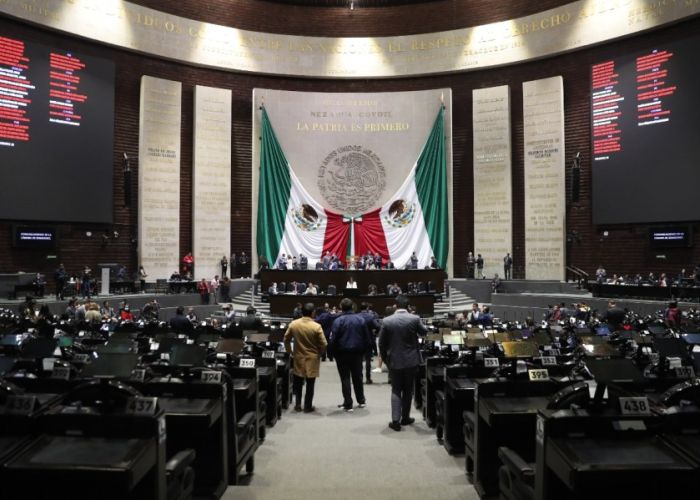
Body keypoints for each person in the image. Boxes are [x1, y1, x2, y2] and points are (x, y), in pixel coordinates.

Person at [379, 295, 427, 431]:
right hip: (411, 361)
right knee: (408, 390)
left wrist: (386, 359)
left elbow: (381, 343)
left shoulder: (387, 321)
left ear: (395, 306)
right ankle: (405, 417)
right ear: (409, 306)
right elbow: (424, 332)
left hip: (394, 360)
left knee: (396, 389)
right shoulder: (414, 318)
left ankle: (395, 421)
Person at [329, 298, 372, 412]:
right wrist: (364, 352)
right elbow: (367, 338)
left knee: (345, 378)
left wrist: (332, 353)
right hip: (357, 353)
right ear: (352, 307)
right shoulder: (360, 319)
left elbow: (333, 339)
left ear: (341, 307)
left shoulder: (338, 321)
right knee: (358, 377)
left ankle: (348, 404)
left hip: (342, 353)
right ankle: (361, 401)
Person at [284, 303, 328, 412]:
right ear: (313, 313)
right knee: (310, 384)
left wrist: (290, 352)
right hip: (312, 358)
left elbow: (286, 339)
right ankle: (308, 406)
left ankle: (298, 405)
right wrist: (320, 353)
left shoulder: (294, 324)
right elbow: (324, 344)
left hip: (298, 357)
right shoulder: (316, 326)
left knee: (297, 383)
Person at [358, 302, 380, 384]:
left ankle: (359, 378)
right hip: (368, 340)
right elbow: (377, 326)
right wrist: (375, 333)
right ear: (367, 308)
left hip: (358, 341)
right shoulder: (370, 316)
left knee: (359, 361)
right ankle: (368, 378)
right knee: (368, 361)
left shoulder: (356, 316)